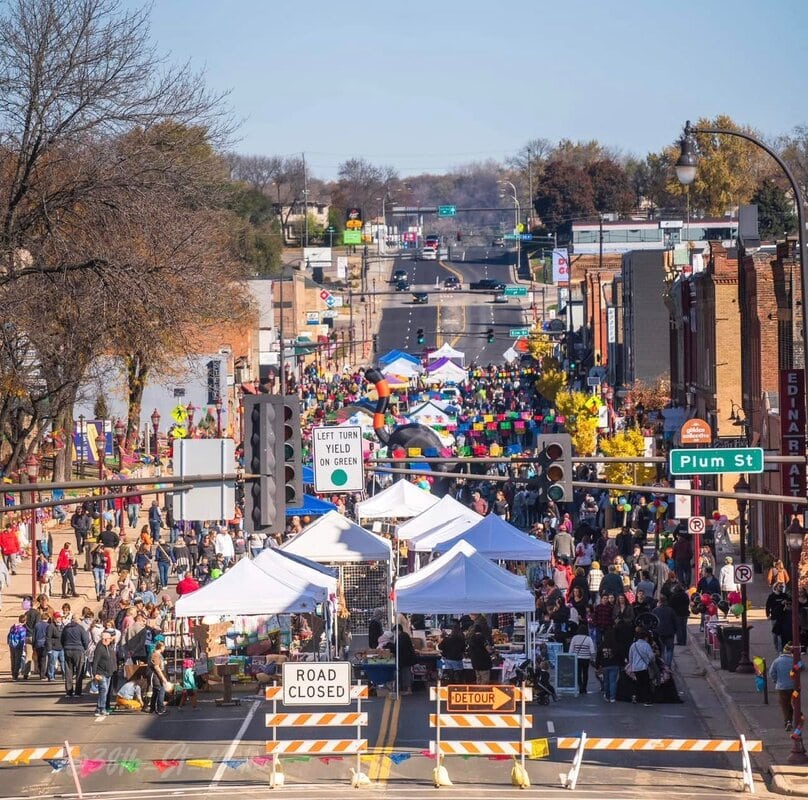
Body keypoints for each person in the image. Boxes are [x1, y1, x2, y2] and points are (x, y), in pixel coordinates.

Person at [769, 644, 805, 730]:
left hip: (782, 687)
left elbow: (771, 673)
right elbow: (803, 667)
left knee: (785, 705)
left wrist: (776, 680)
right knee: (795, 702)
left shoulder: (776, 661)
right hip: (794, 686)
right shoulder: (794, 660)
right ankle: (798, 715)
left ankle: (788, 722)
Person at [60, 613, 90, 697]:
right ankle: (78, 692)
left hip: (67, 650)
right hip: (78, 650)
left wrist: (65, 647)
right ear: (77, 620)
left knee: (68, 671)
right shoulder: (80, 628)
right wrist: (84, 648)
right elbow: (85, 640)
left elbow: (62, 639)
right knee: (79, 671)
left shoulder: (66, 628)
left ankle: (69, 692)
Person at [91, 628, 116, 718]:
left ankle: (98, 708)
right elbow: (95, 661)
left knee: (104, 691)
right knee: (103, 690)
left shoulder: (109, 647)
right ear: (105, 639)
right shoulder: (100, 648)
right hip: (101, 673)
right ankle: (102, 708)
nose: (110, 640)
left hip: (109, 673)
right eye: (109, 639)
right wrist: (95, 674)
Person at [385, 624, 417, 695]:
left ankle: (408, 689)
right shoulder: (404, 635)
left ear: (397, 630)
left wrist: (390, 645)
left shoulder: (401, 637)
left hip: (405, 659)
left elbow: (398, 648)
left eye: (394, 631)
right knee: (406, 673)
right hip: (407, 658)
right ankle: (406, 688)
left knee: (406, 673)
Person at [627, 629, 656, 706]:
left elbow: (630, 657)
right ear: (645, 637)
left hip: (635, 667)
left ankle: (635, 696)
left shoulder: (633, 645)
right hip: (644, 667)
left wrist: (632, 665)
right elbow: (651, 656)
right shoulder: (646, 645)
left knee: (638, 683)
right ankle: (647, 700)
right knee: (646, 683)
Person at [595, 627, 623, 703]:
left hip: (605, 665)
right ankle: (612, 697)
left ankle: (607, 696)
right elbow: (620, 655)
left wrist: (597, 666)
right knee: (613, 681)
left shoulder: (602, 645)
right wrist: (622, 664)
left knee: (606, 681)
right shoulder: (616, 645)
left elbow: (598, 656)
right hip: (614, 665)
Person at [568, 622, 596, 694]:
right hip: (586, 658)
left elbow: (571, 650)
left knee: (578, 673)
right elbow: (592, 650)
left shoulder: (575, 638)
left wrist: (570, 656)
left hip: (577, 658)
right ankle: (584, 687)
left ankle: (580, 686)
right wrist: (592, 657)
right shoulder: (588, 638)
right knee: (585, 673)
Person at [652, 595, 678, 666]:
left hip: (658, 633)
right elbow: (675, 622)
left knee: (661, 650)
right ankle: (668, 664)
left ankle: (663, 665)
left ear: (659, 602)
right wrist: (675, 630)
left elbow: (652, 622)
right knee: (669, 650)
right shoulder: (671, 610)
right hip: (669, 633)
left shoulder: (655, 610)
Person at [466, 621, 494, 685]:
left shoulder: (471, 639)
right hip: (484, 662)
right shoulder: (483, 638)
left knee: (478, 679)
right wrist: (493, 651)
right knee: (485, 680)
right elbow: (489, 649)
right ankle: (483, 693)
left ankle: (478, 691)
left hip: (475, 662)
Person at [148, 640, 170, 714]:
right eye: (164, 647)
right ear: (161, 647)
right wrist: (163, 678)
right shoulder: (156, 655)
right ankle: (160, 709)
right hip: (156, 676)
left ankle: (152, 708)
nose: (164, 648)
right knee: (161, 690)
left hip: (157, 676)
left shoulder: (158, 655)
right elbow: (156, 667)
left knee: (156, 692)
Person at [7, 614, 27, 680]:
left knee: (13, 659)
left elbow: (9, 635)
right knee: (18, 660)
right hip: (19, 646)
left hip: (12, 645)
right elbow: (22, 639)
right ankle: (15, 675)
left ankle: (13, 674)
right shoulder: (23, 629)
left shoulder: (13, 626)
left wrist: (9, 642)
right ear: (25, 621)